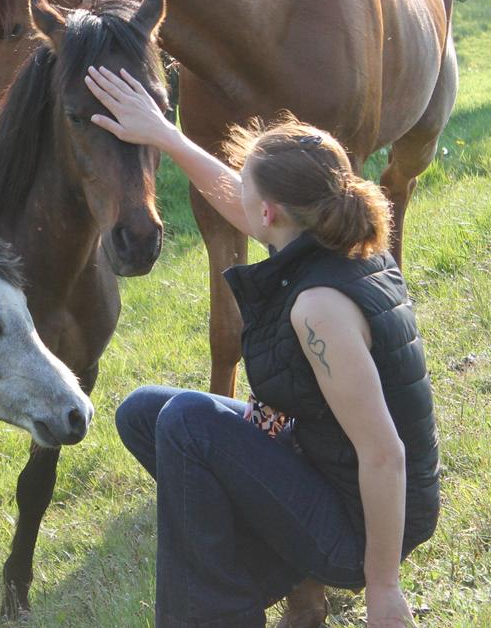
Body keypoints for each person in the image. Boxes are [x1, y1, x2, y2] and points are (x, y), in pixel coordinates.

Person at [85, 65, 439, 628]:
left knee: (188, 421)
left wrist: (384, 586)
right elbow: (238, 196)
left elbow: (384, 453)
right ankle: (248, 574)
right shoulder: (339, 237)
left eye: (247, 186)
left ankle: (210, 616)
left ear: (269, 213)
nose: (237, 192)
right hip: (331, 474)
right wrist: (165, 135)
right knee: (146, 413)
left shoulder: (319, 307)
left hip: (360, 529)